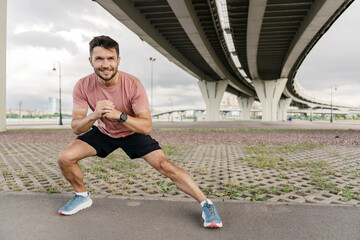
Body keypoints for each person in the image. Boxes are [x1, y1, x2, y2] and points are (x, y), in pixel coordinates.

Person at [57, 35, 222, 228]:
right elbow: (76, 127)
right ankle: (82, 196)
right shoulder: (83, 85)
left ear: (118, 60)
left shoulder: (133, 84)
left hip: (131, 131)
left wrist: (121, 116)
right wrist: (94, 116)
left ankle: (206, 204)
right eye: (99, 59)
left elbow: (146, 126)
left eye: (110, 58)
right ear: (91, 61)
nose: (105, 64)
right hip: (104, 132)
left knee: (165, 165)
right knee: (65, 157)